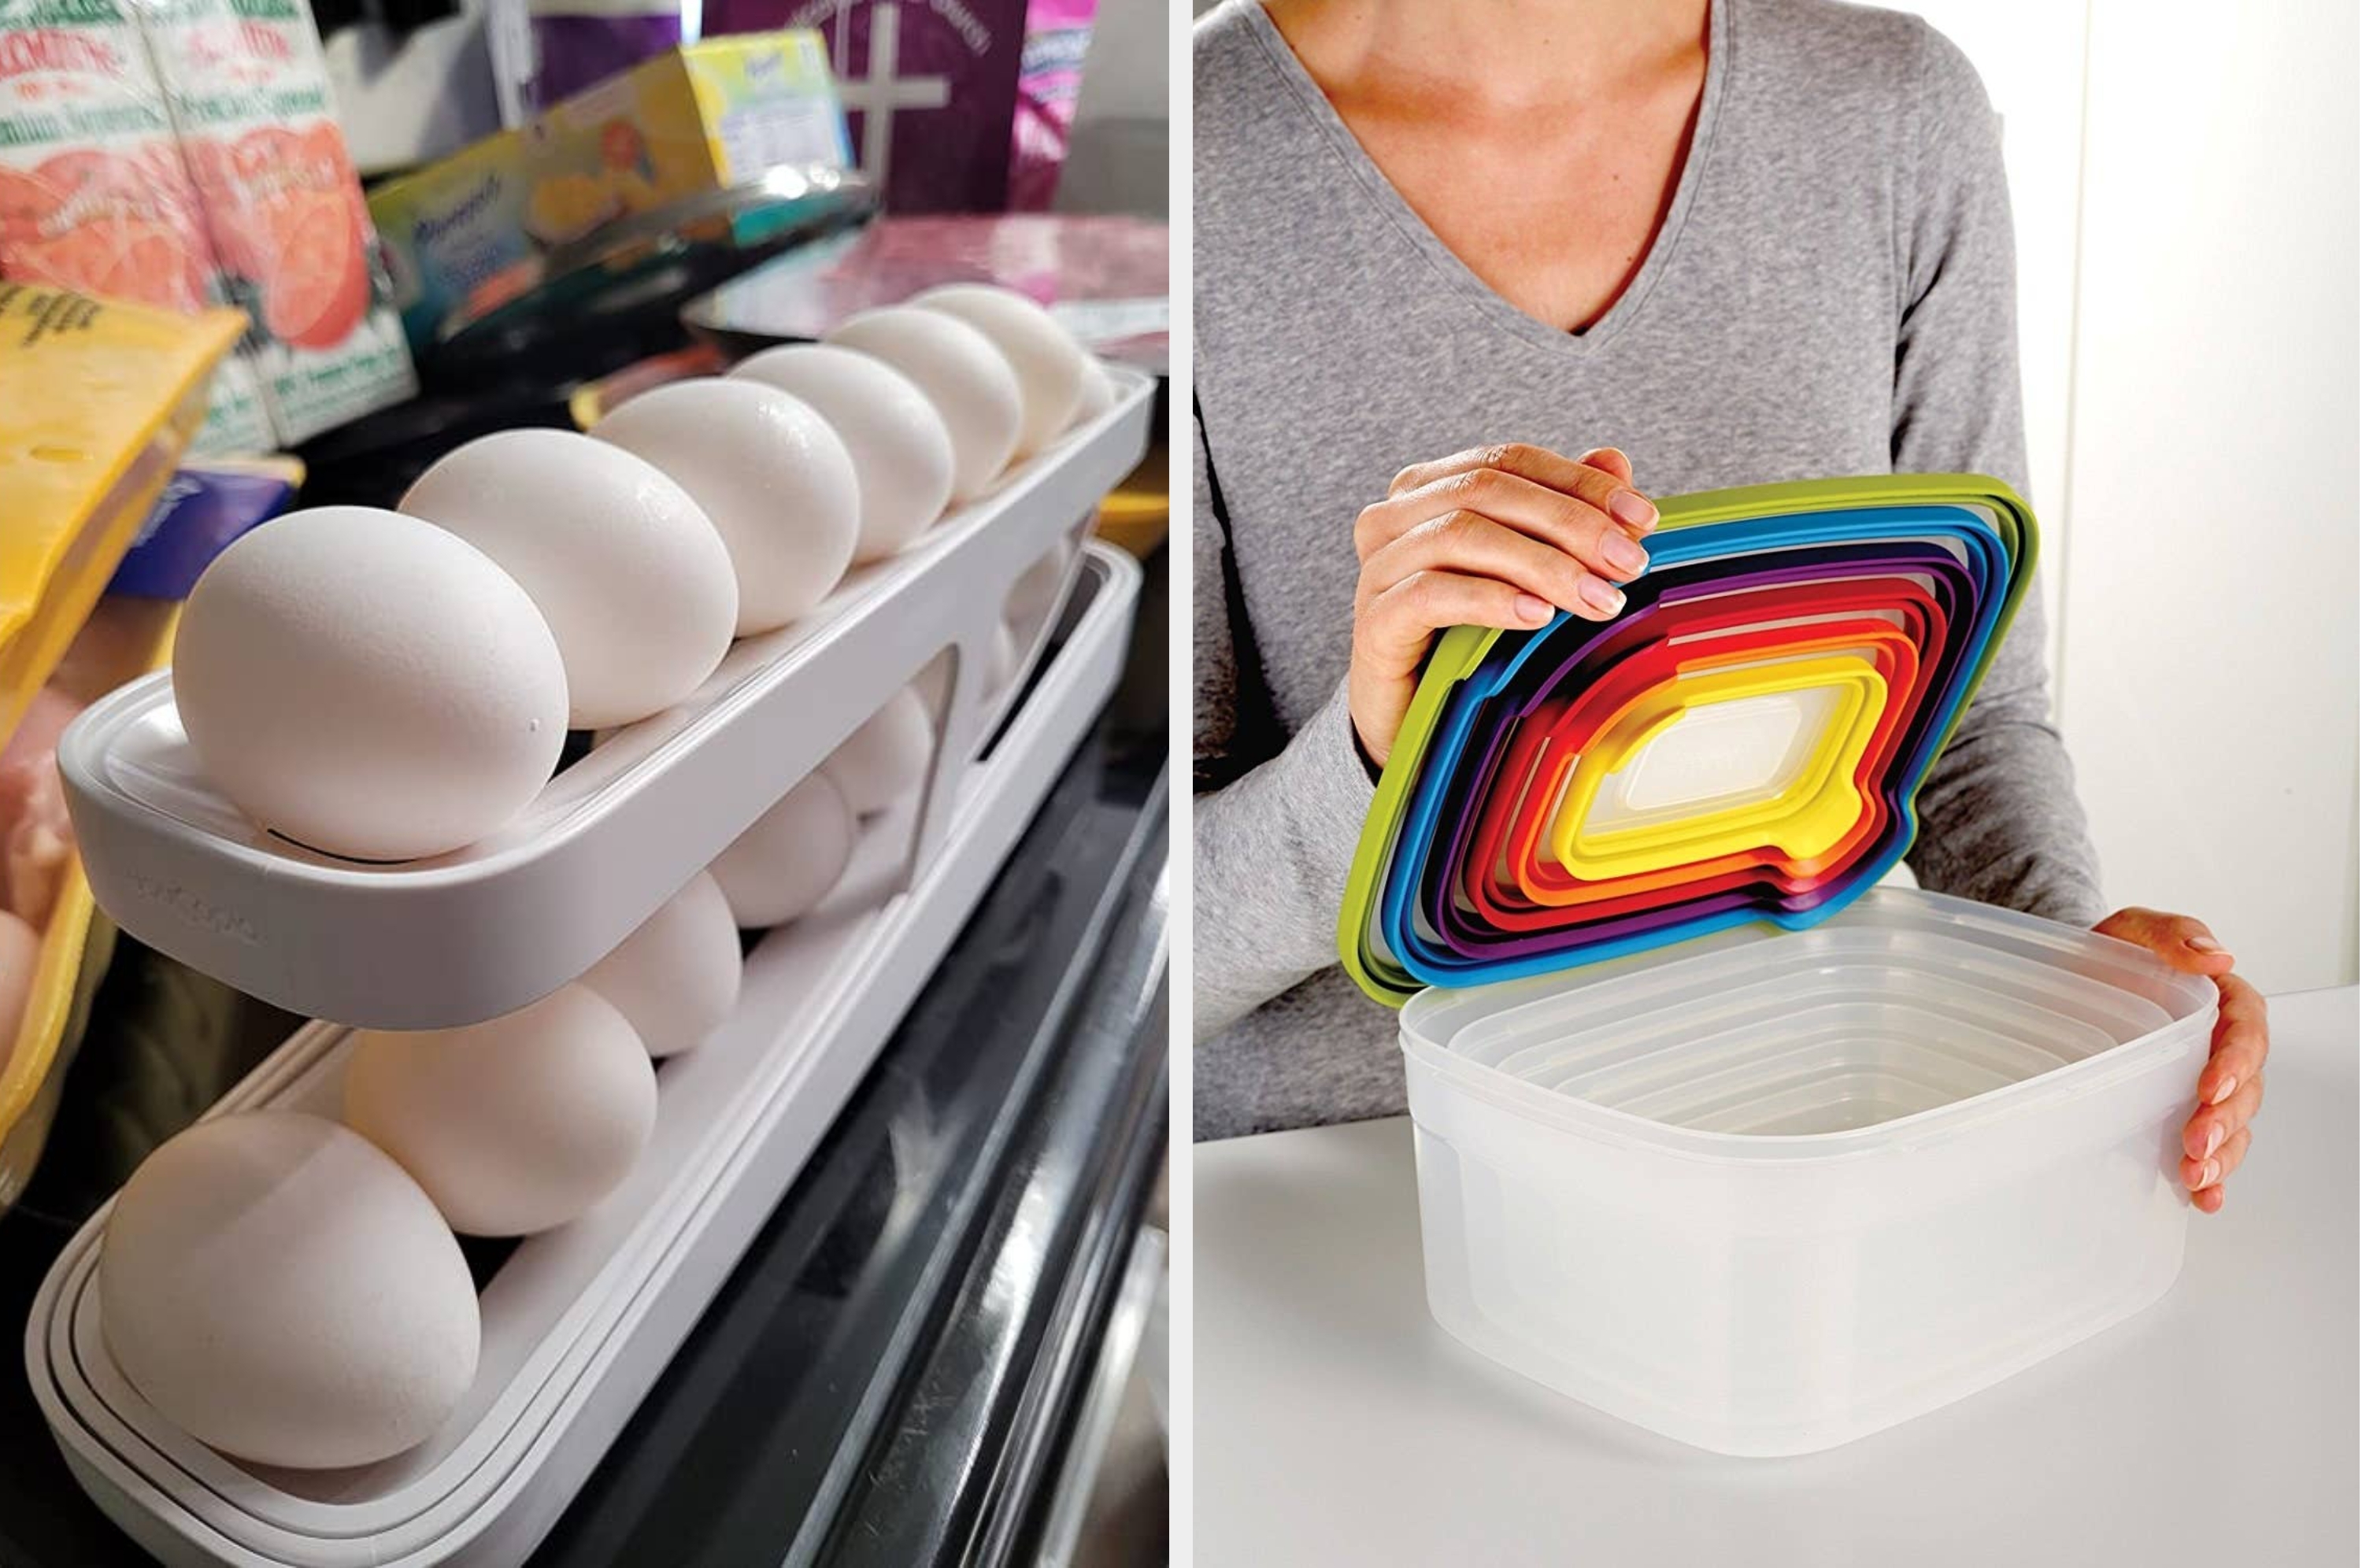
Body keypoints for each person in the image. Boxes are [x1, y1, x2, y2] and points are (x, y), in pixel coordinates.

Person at [1190, 0, 2268, 1207]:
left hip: (1796, 1163)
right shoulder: (1199, 161)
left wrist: (2077, 977)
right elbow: (1146, 952)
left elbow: (1969, 727)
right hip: (1335, 1205)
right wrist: (1381, 760)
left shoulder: (1898, 115)